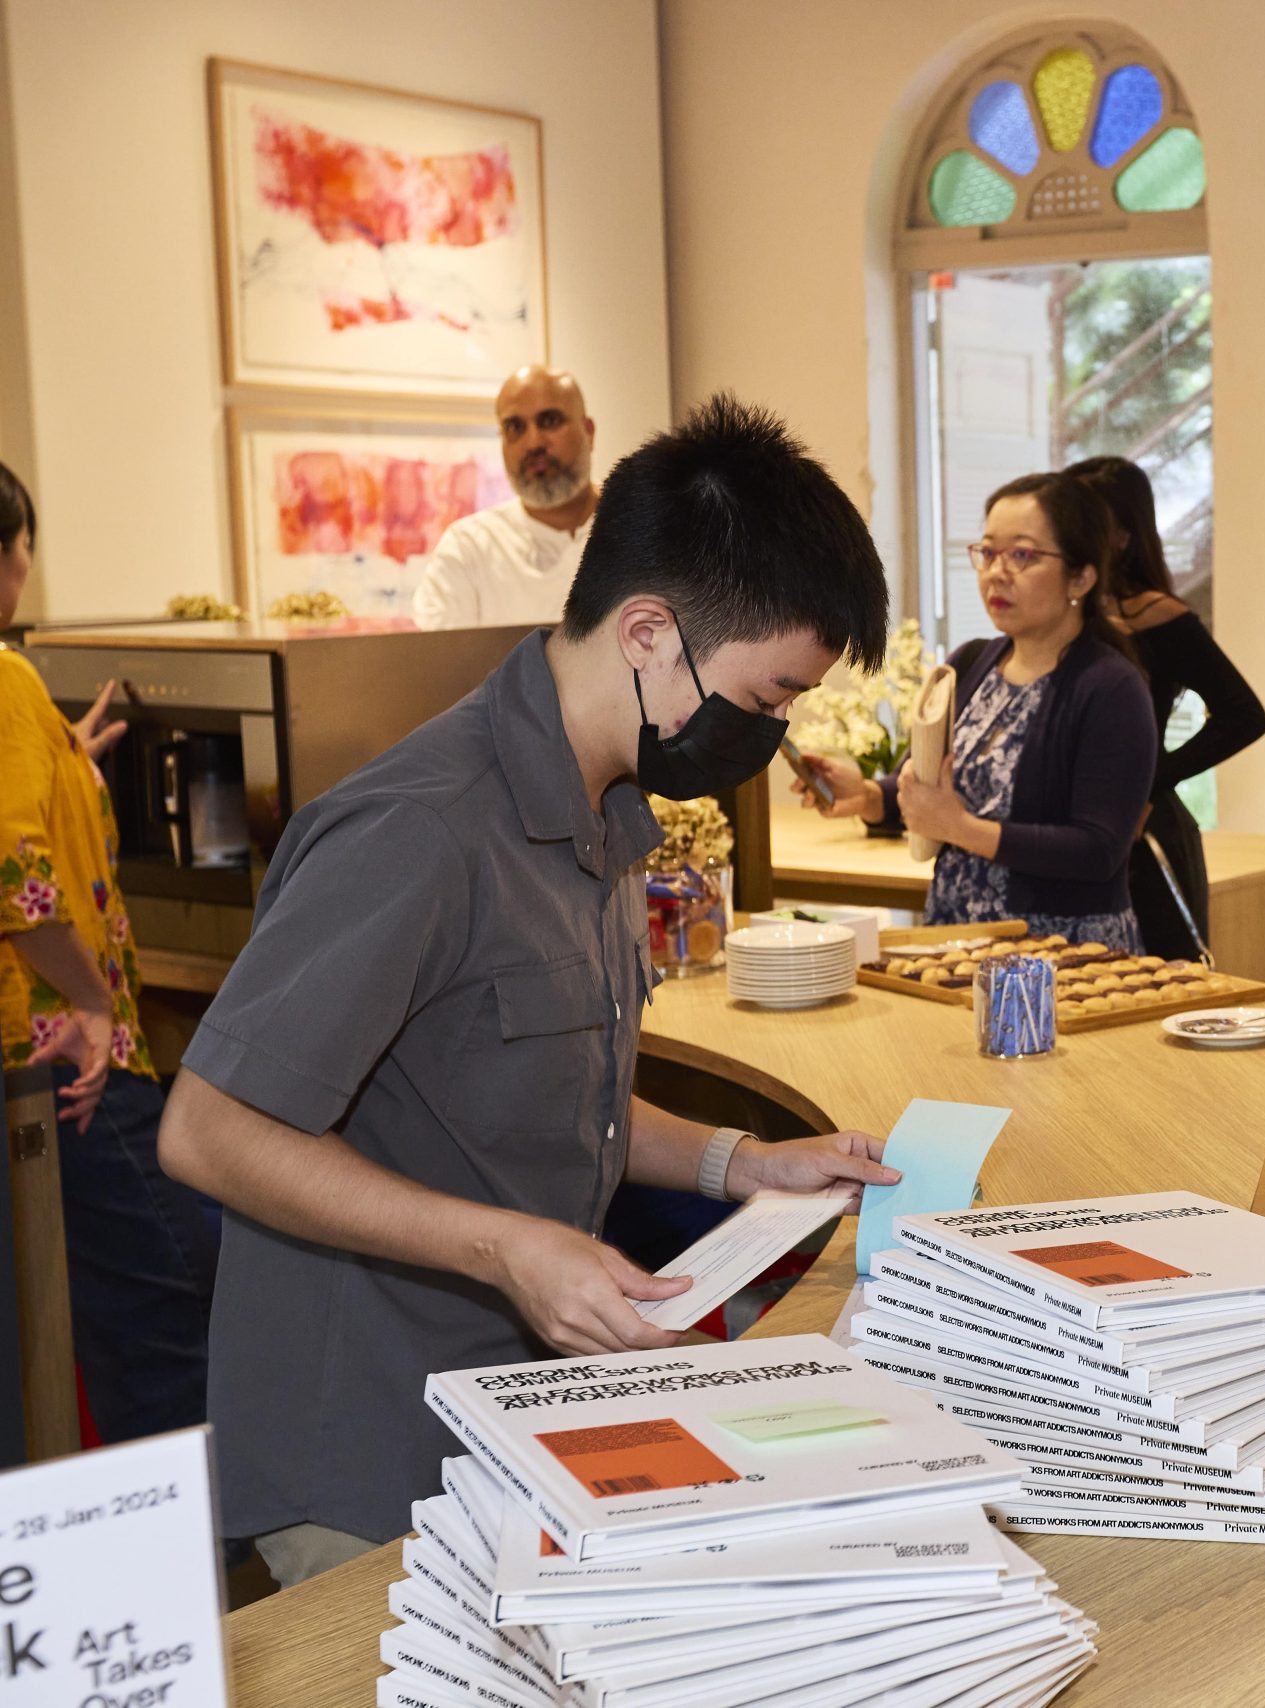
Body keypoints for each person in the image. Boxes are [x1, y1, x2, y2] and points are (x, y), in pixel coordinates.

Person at [158, 396, 902, 1586]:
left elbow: (550, 1090)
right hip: (365, 1443)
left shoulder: (605, 805)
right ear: (649, 632)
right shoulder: (420, 830)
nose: (771, 731)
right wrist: (506, 1247)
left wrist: (743, 1163)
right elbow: (208, 1129)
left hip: (514, 1415)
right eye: (767, 697)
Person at [0, 460, 219, 1446]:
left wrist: (64, 763)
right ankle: (201, 1532)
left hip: (30, 1057)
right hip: (64, 1053)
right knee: (170, 1293)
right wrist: (91, 1004)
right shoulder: (6, 678)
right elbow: (12, 868)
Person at [794, 473, 1157, 952]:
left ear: (1081, 577)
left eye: (1022, 555)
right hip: (955, 939)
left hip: (1062, 953)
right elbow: (927, 789)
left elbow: (1098, 851)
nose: (996, 573)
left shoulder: (1111, 688)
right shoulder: (970, 663)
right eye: (988, 552)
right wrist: (865, 794)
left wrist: (960, 829)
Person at [1066, 455, 1265, 959]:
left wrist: (1152, 782)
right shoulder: (1060, 620)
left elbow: (1244, 715)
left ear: (1122, 538)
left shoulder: (1159, 618)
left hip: (1145, 837)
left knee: (1163, 982)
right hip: (1073, 835)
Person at [412, 365, 600, 630]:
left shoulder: (645, 528)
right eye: (515, 427)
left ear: (588, 432)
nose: (533, 442)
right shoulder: (467, 549)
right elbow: (440, 654)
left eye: (550, 421)